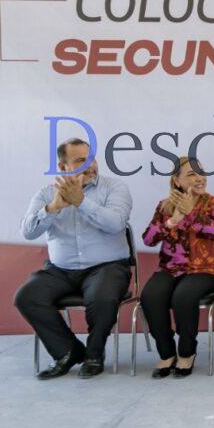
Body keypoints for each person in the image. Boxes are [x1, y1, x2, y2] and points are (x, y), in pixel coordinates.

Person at [16, 137, 133, 379]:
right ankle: (67, 353)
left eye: (91, 159)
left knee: (102, 296)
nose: (90, 165)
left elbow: (116, 224)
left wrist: (81, 202)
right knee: (27, 297)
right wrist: (52, 208)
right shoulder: (46, 194)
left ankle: (94, 354)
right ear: (62, 167)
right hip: (60, 270)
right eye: (81, 160)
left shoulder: (114, 188)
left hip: (107, 267)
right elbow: (28, 231)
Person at [140, 157, 214, 378]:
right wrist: (171, 221)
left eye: (201, 173)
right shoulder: (164, 206)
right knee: (150, 295)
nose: (199, 178)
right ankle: (166, 352)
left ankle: (187, 352)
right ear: (177, 181)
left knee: (183, 296)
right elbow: (148, 239)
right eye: (191, 174)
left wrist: (189, 216)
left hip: (206, 270)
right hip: (171, 268)